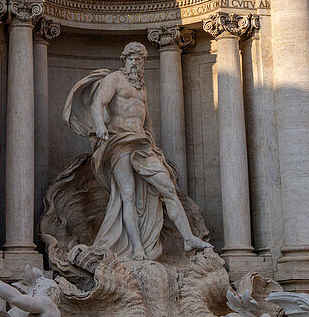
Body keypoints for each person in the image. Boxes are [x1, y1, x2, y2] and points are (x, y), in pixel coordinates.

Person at [64, 41, 209, 260]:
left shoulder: (142, 88)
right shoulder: (114, 79)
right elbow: (97, 104)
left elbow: (146, 119)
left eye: (139, 60)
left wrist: (150, 140)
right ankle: (137, 248)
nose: (136, 63)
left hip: (141, 144)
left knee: (167, 187)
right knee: (127, 195)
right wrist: (101, 126)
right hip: (119, 141)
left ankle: (188, 238)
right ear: (124, 60)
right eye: (132, 59)